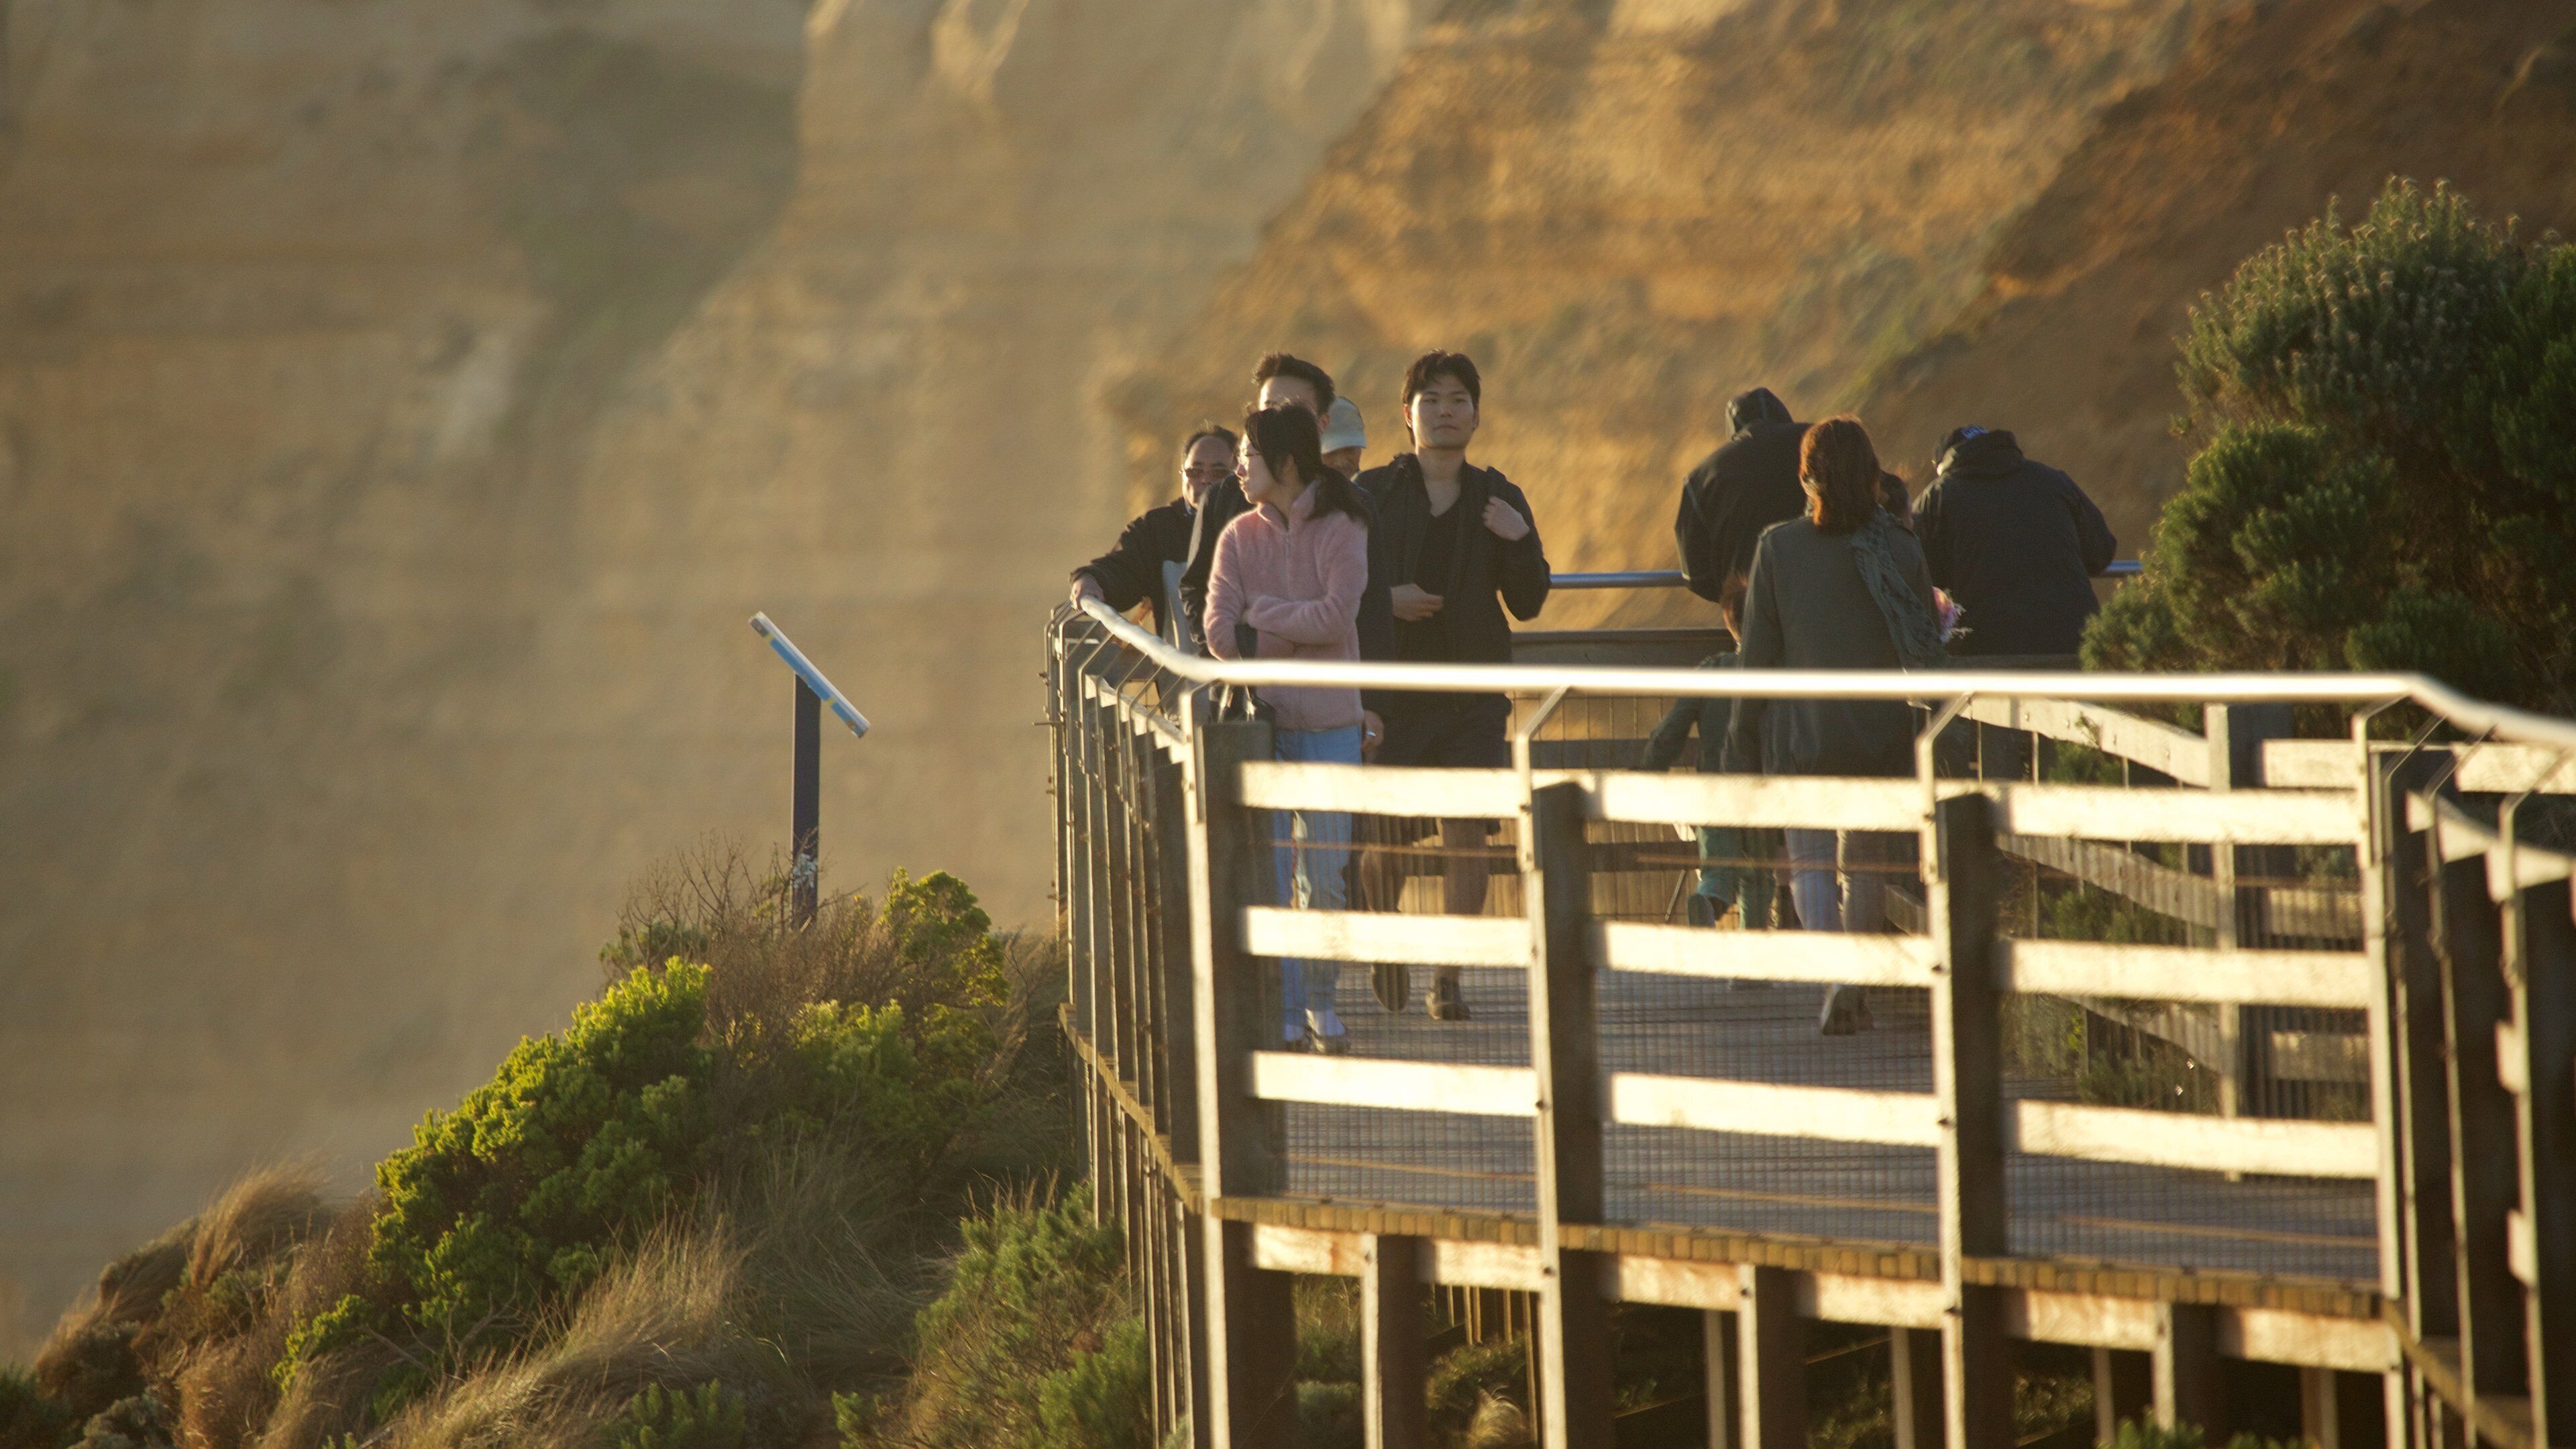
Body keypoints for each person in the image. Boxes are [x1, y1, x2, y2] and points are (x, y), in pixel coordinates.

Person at [1725, 417, 1944, 1035]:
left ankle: (1836, 982)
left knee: (1812, 862)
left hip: (1802, 736)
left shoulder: (1779, 547)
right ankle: (1854, 985)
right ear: (1873, 476)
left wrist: (1743, 736)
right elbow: (1924, 642)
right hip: (1878, 734)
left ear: (1805, 477)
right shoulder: (1899, 547)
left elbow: (1757, 655)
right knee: (1866, 861)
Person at [1352, 350, 1550, 1021]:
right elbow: (1340, 589)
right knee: (1389, 835)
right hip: (1393, 690)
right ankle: (1388, 944)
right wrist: (1388, 598)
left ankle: (1450, 973)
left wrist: (1520, 540)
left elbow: (1529, 603)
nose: (1445, 411)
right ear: (1406, 414)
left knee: (1469, 833)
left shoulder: (1501, 497)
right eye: (1431, 399)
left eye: (1458, 399)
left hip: (1471, 694)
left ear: (1476, 413)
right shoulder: (1373, 495)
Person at [1205, 403, 1373, 1053]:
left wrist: (1265, 618)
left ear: (1286, 461)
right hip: (1262, 729)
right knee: (1272, 880)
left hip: (1332, 725)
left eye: (1249, 454)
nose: (1240, 466)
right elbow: (1220, 632)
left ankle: (1321, 1003)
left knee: (1325, 879)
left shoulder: (1345, 525)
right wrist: (1280, 629)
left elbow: (1336, 617)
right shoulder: (1235, 535)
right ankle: (1283, 1008)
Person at [1640, 572, 1776, 947]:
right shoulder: (1778, 674)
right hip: (1762, 789)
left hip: (1714, 789)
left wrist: (1648, 774)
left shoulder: (1711, 671)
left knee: (1718, 866)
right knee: (1759, 878)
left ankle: (1708, 899)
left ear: (1730, 625)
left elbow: (1670, 732)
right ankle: (1752, 963)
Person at [1909, 425, 2117, 658]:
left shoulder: (1935, 499)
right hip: (2078, 645)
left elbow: (1914, 580)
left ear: (1941, 464)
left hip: (1988, 657)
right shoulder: (2053, 480)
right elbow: (2101, 553)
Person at [1179, 353, 1338, 653]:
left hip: (1328, 685)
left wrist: (1371, 700)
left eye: (1295, 412)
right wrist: (1231, 653)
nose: (1279, 422)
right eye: (1269, 409)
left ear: (1322, 424)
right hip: (1243, 686)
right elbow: (1196, 588)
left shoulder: (1350, 503)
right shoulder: (1222, 499)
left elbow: (1368, 610)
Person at [1068, 425, 1238, 641]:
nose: (1205, 480)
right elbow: (1123, 571)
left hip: (1250, 670)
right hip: (1183, 672)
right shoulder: (1157, 529)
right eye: (1195, 471)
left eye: (1219, 472)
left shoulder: (1257, 527)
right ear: (1182, 474)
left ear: (1239, 473)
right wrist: (1090, 579)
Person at [1675, 387, 1809, 606]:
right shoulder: (1824, 442)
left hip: (1756, 613)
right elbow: (1880, 495)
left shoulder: (1702, 477)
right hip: (1835, 606)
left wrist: (1739, 597)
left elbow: (1696, 576)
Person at [1320, 396, 1368, 479]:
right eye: (1331, 452)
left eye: (1349, 450)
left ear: (1359, 449)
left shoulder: (1377, 488)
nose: (1341, 462)